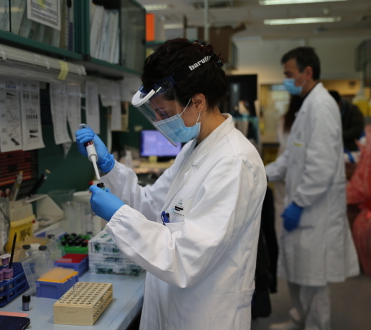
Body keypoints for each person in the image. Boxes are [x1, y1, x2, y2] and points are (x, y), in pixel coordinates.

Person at [75, 38, 267, 330]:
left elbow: (185, 258)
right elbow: (153, 207)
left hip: (205, 314)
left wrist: (118, 217)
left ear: (198, 102)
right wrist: (110, 168)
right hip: (172, 307)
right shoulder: (195, 148)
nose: (159, 121)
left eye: (164, 113)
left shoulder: (234, 162)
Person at [266, 47, 359, 330]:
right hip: (304, 208)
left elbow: (321, 168)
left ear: (308, 73)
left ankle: (317, 326)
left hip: (314, 210)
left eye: (289, 74)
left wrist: (299, 203)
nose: (286, 80)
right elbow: (291, 157)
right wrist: (259, 173)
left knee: (314, 278)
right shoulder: (306, 106)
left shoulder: (321, 107)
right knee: (299, 271)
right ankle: (300, 318)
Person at [273, 95, 302, 239]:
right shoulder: (301, 122)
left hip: (285, 177)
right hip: (291, 177)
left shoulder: (284, 121)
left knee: (281, 218)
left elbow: (284, 147)